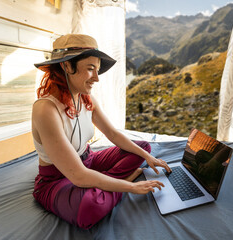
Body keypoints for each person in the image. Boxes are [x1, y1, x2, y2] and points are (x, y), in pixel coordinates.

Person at [31, 34, 170, 229]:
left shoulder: (86, 99)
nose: (96, 78)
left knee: (142, 147)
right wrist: (131, 186)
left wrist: (148, 156)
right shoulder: (46, 109)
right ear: (66, 66)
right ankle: (114, 182)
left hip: (89, 161)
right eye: (90, 69)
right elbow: (78, 176)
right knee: (90, 207)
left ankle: (104, 183)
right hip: (58, 178)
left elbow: (112, 134)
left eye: (97, 70)